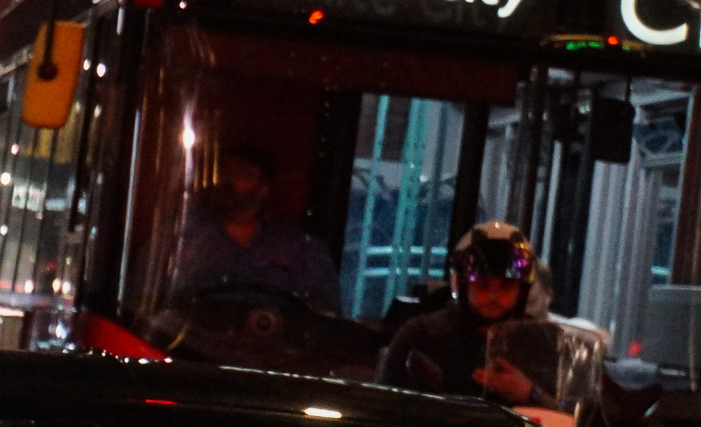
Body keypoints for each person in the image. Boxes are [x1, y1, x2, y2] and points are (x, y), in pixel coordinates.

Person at [377, 223, 554, 405]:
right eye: (483, 285)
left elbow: (567, 419)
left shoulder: (543, 344)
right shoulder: (421, 336)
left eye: (506, 286)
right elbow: (384, 409)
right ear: (461, 286)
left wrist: (531, 394)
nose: (494, 296)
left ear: (523, 291)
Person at [172, 145, 339, 310]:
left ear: (264, 188)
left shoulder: (300, 248)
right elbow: (151, 296)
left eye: (243, 174)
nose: (230, 181)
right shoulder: (183, 238)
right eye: (225, 172)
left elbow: (325, 311)